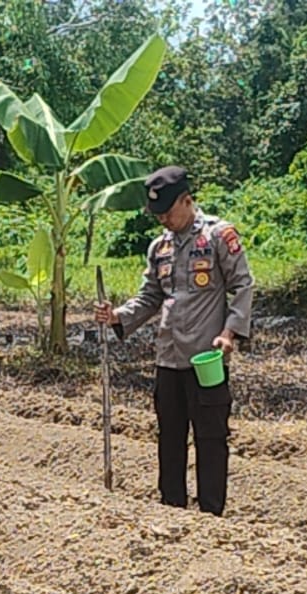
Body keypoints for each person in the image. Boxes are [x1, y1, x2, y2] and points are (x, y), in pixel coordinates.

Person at [95, 165, 254, 516]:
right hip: (168, 357)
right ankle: (172, 510)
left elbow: (243, 285)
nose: (163, 219)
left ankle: (211, 514)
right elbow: (150, 296)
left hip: (206, 359)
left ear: (187, 201)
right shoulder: (160, 247)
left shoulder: (218, 236)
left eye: (168, 212)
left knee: (210, 438)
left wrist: (229, 333)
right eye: (158, 214)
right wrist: (118, 315)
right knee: (169, 437)